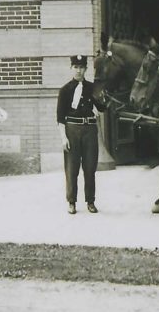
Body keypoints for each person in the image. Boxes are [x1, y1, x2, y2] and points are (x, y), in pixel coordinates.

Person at [57, 55, 105, 215]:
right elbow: (60, 117)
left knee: (90, 167)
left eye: (82, 67)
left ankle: (90, 201)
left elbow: (102, 107)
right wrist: (63, 138)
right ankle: (72, 202)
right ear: (71, 68)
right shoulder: (65, 90)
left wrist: (101, 94)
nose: (79, 70)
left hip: (90, 129)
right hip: (72, 129)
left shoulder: (92, 88)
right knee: (72, 168)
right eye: (76, 67)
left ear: (86, 69)